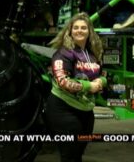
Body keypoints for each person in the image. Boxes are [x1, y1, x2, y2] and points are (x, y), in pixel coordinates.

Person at [45, 12, 106, 162]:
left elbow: (103, 74)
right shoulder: (63, 53)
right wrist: (88, 85)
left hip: (86, 110)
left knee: (78, 154)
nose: (79, 30)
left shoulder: (93, 53)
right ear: (70, 31)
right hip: (63, 109)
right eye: (76, 27)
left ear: (89, 31)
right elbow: (62, 81)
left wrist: (101, 82)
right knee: (69, 156)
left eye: (83, 28)